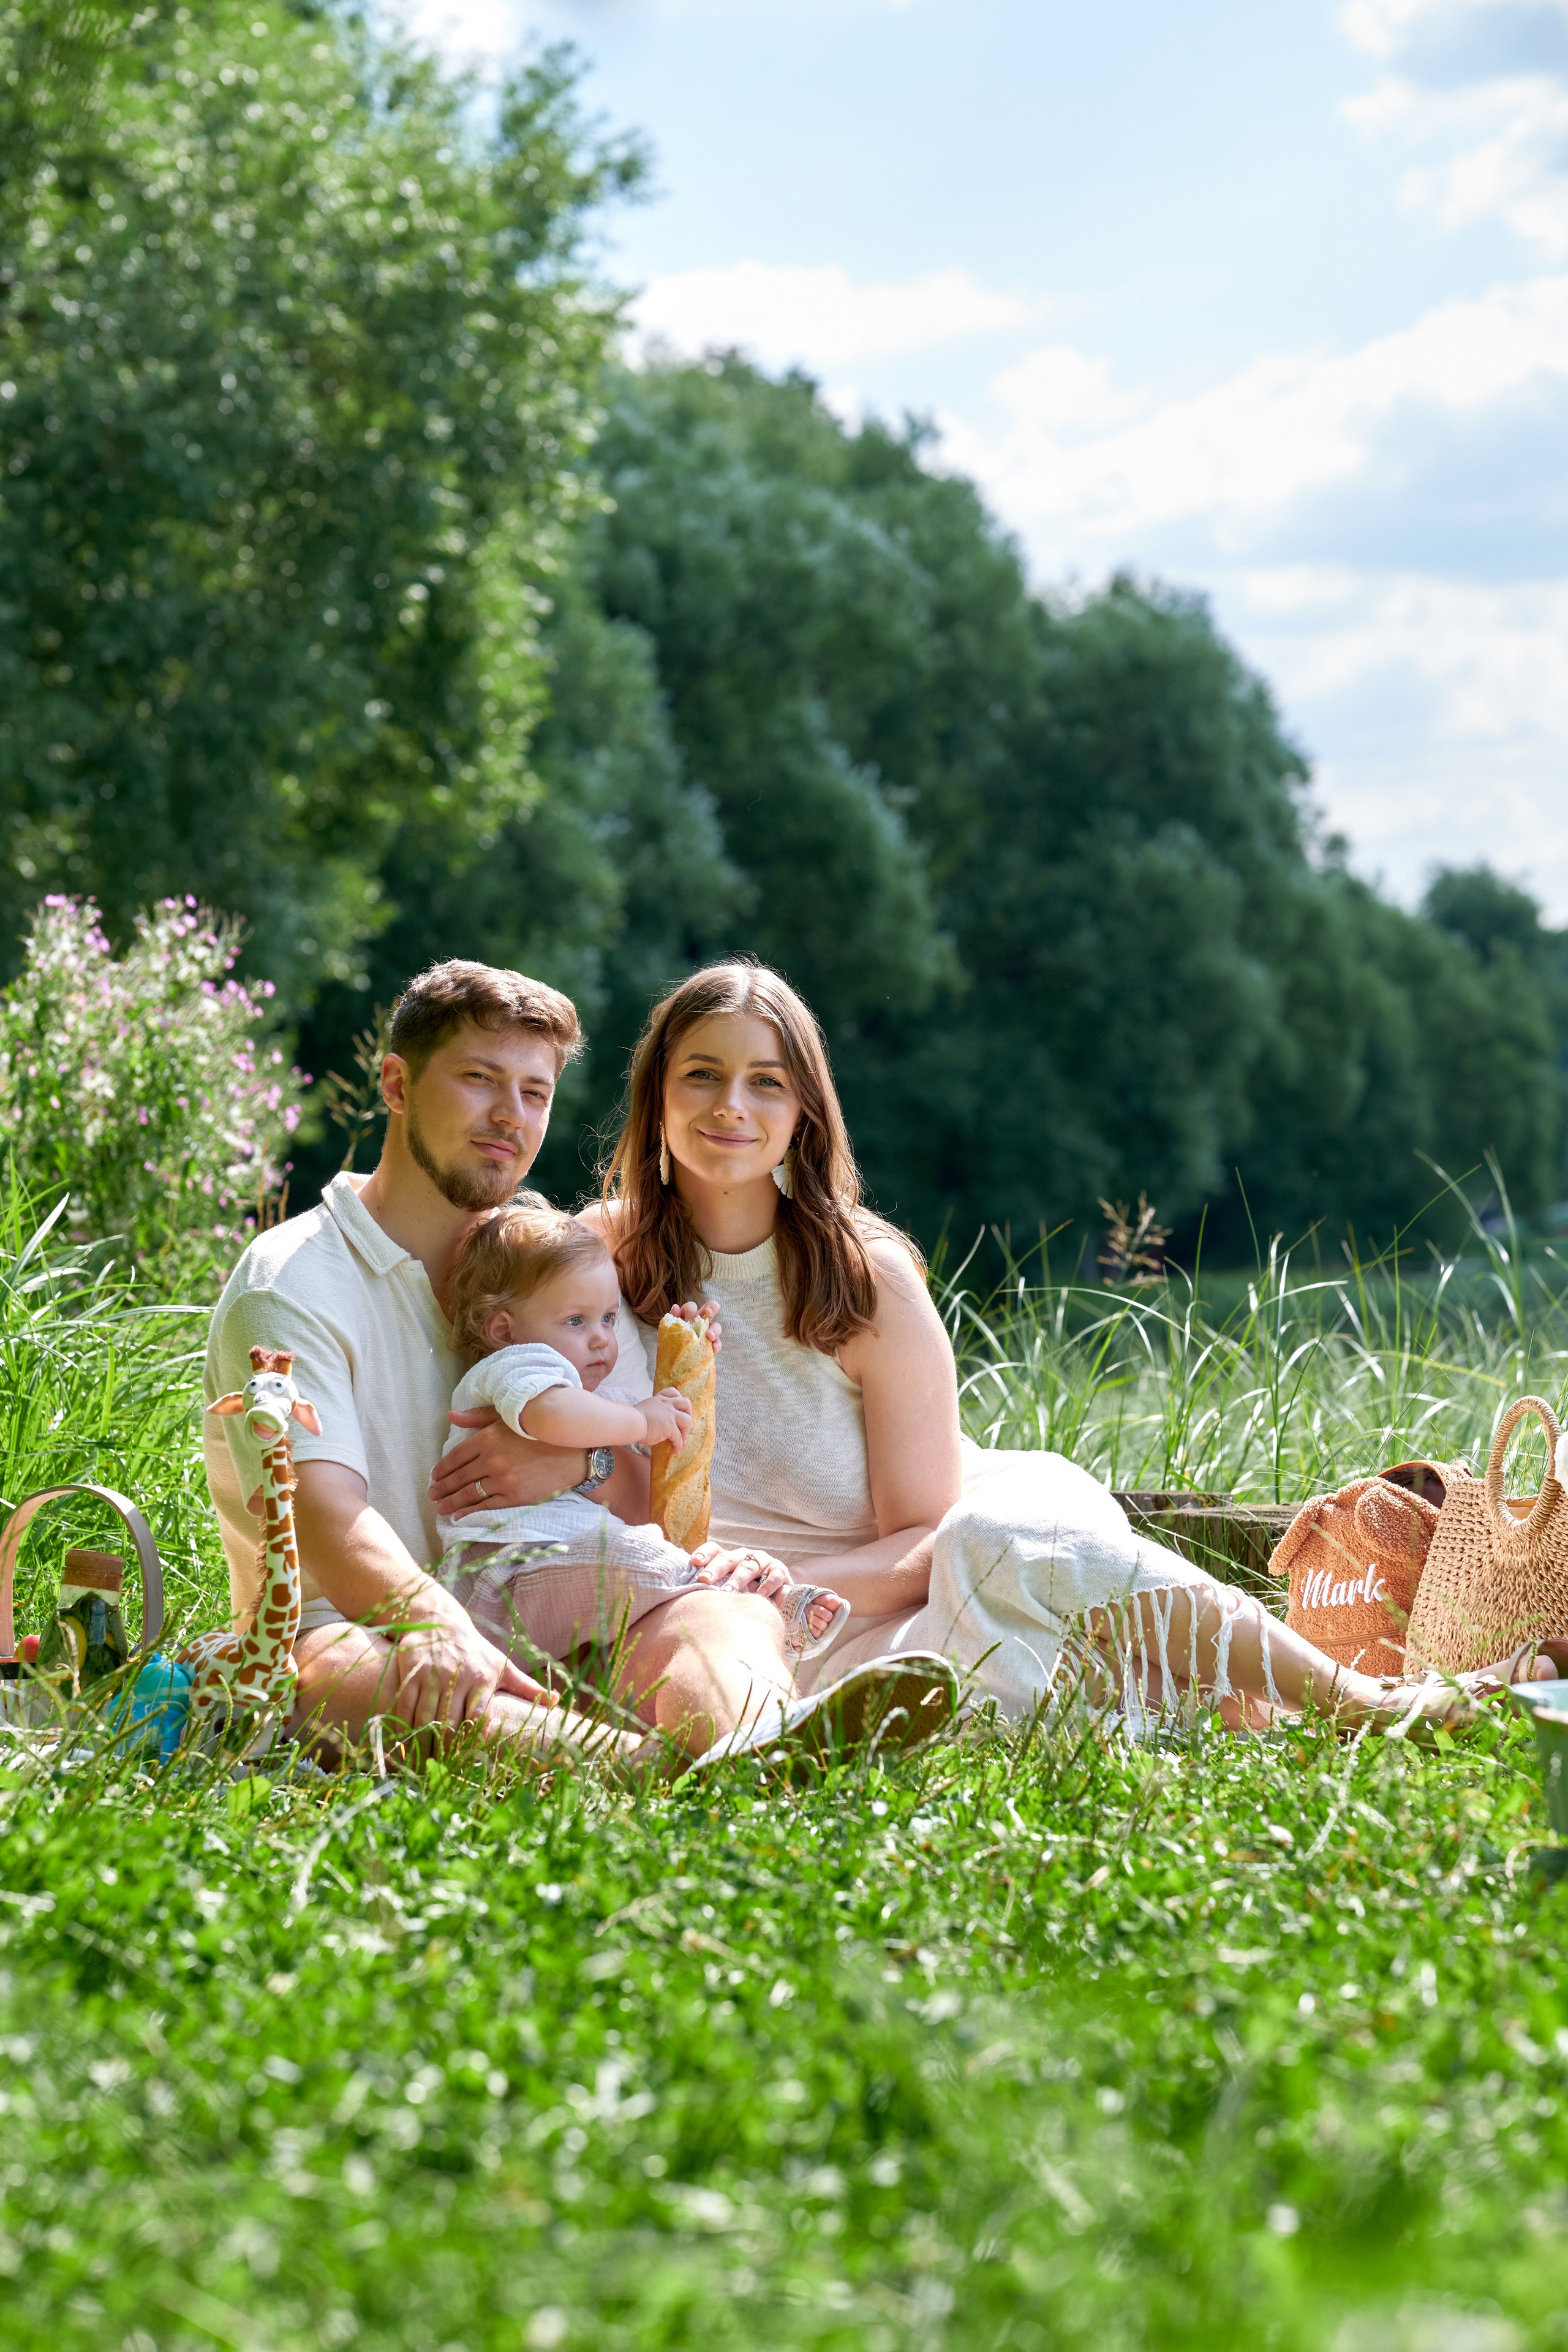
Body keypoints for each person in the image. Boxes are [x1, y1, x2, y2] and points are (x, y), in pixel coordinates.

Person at [583, 957, 1530, 1739]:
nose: (730, 1106)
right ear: (656, 1097)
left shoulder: (861, 1279)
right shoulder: (594, 1263)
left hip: (942, 1556)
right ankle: (1221, 1704)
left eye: (766, 1082)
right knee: (935, 1705)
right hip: (786, 1630)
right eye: (701, 1074)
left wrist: (787, 1578)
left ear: (803, 1114)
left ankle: (1365, 1702)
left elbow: (923, 1539)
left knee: (994, 1550)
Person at [204, 957, 886, 1770]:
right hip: (366, 1631)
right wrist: (434, 1625)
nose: (509, 1115)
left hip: (558, 1609)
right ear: (395, 1085)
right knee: (365, 1677)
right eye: (478, 1079)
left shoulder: (554, 1272)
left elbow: (640, 1493)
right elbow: (324, 1516)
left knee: (726, 1617)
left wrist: (581, 1458)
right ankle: (676, 1775)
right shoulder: (294, 1280)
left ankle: (761, 1738)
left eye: (535, 1092)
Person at [432, 1197, 850, 1667]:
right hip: (509, 1574)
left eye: (609, 1318)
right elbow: (552, 1417)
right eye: (576, 1320)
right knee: (648, 1562)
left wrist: (691, 1359)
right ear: (503, 1330)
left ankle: (753, 1621)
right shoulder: (516, 1366)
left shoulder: (597, 1396)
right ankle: (763, 1602)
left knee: (657, 1573)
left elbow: (655, 1464)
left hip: (555, 1571)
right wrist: (643, 1421)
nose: (602, 1339)